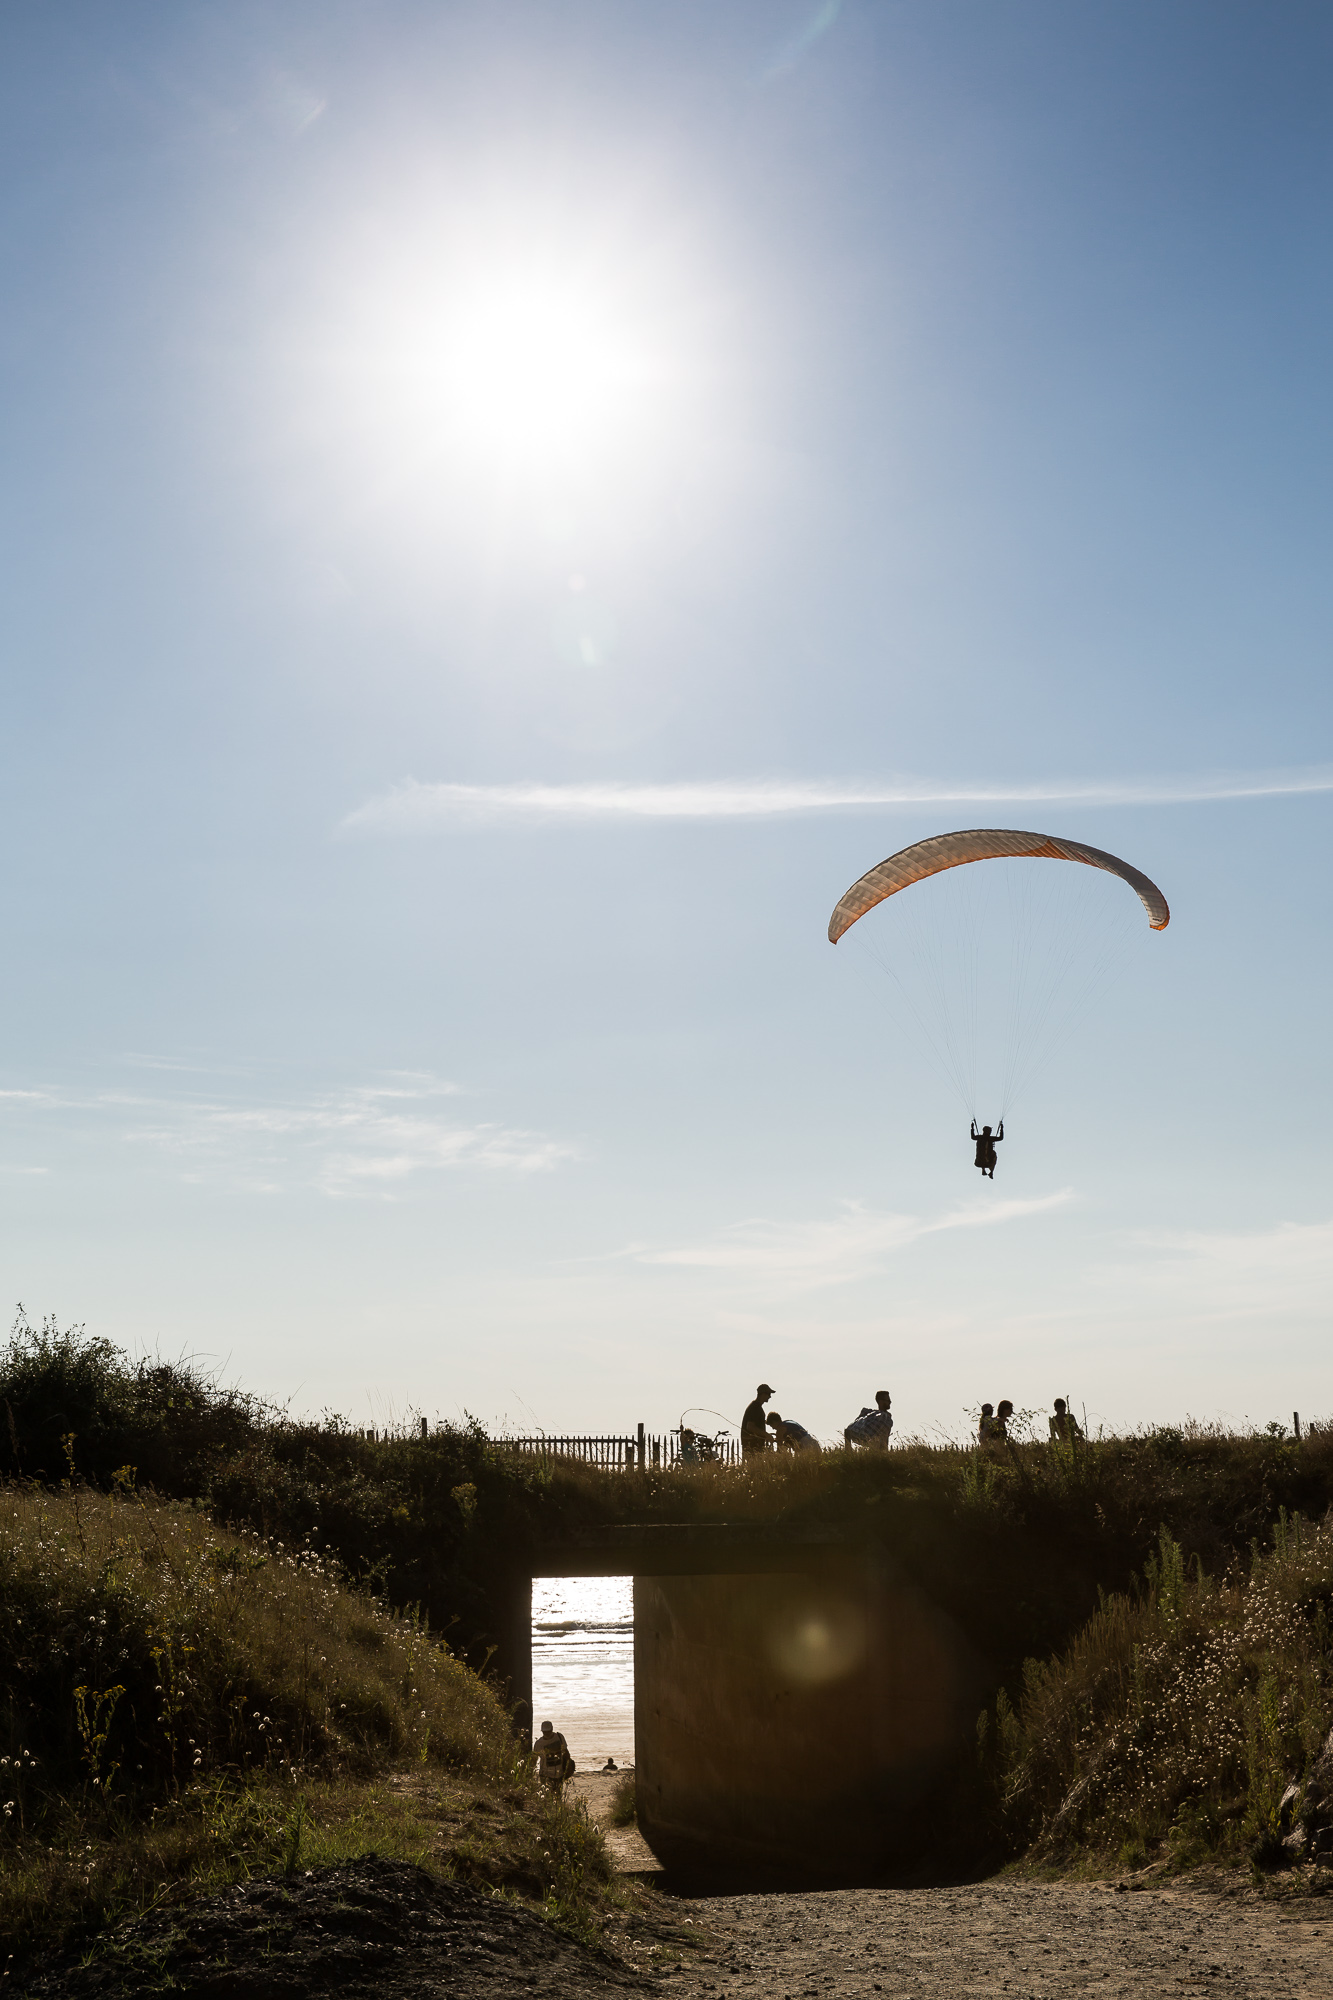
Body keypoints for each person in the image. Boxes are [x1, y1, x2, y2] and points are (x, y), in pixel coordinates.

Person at [534, 1720, 574, 1788]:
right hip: (545, 1774)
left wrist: (568, 1767)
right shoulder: (538, 1743)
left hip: (559, 1773)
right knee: (547, 1795)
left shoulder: (559, 1737)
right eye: (545, 1732)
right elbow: (534, 1759)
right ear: (542, 1731)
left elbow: (566, 1752)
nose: (547, 1733)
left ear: (552, 1729)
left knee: (558, 1794)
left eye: (548, 1731)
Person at [741, 1383, 774, 1457]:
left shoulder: (757, 1407)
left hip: (755, 1445)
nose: (770, 1396)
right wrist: (766, 1435)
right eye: (768, 1394)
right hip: (752, 1446)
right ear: (763, 1394)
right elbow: (750, 1427)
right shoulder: (755, 1408)